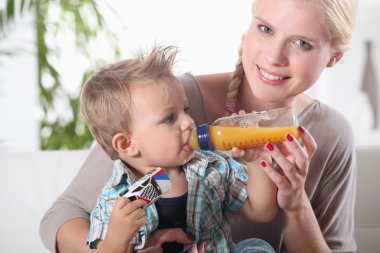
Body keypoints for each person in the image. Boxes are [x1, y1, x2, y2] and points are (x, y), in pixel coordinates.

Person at [40, 0, 358, 252]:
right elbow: (65, 214)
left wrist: (294, 201)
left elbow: (262, 212)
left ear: (334, 57)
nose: (274, 56)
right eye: (265, 29)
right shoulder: (170, 100)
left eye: (301, 43)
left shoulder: (331, 134)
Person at [79, 45, 278, 253]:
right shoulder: (116, 199)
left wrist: (256, 160)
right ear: (127, 144)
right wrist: (116, 239)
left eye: (185, 110)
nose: (188, 122)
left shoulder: (210, 166)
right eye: (169, 118)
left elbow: (261, 211)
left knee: (256, 247)